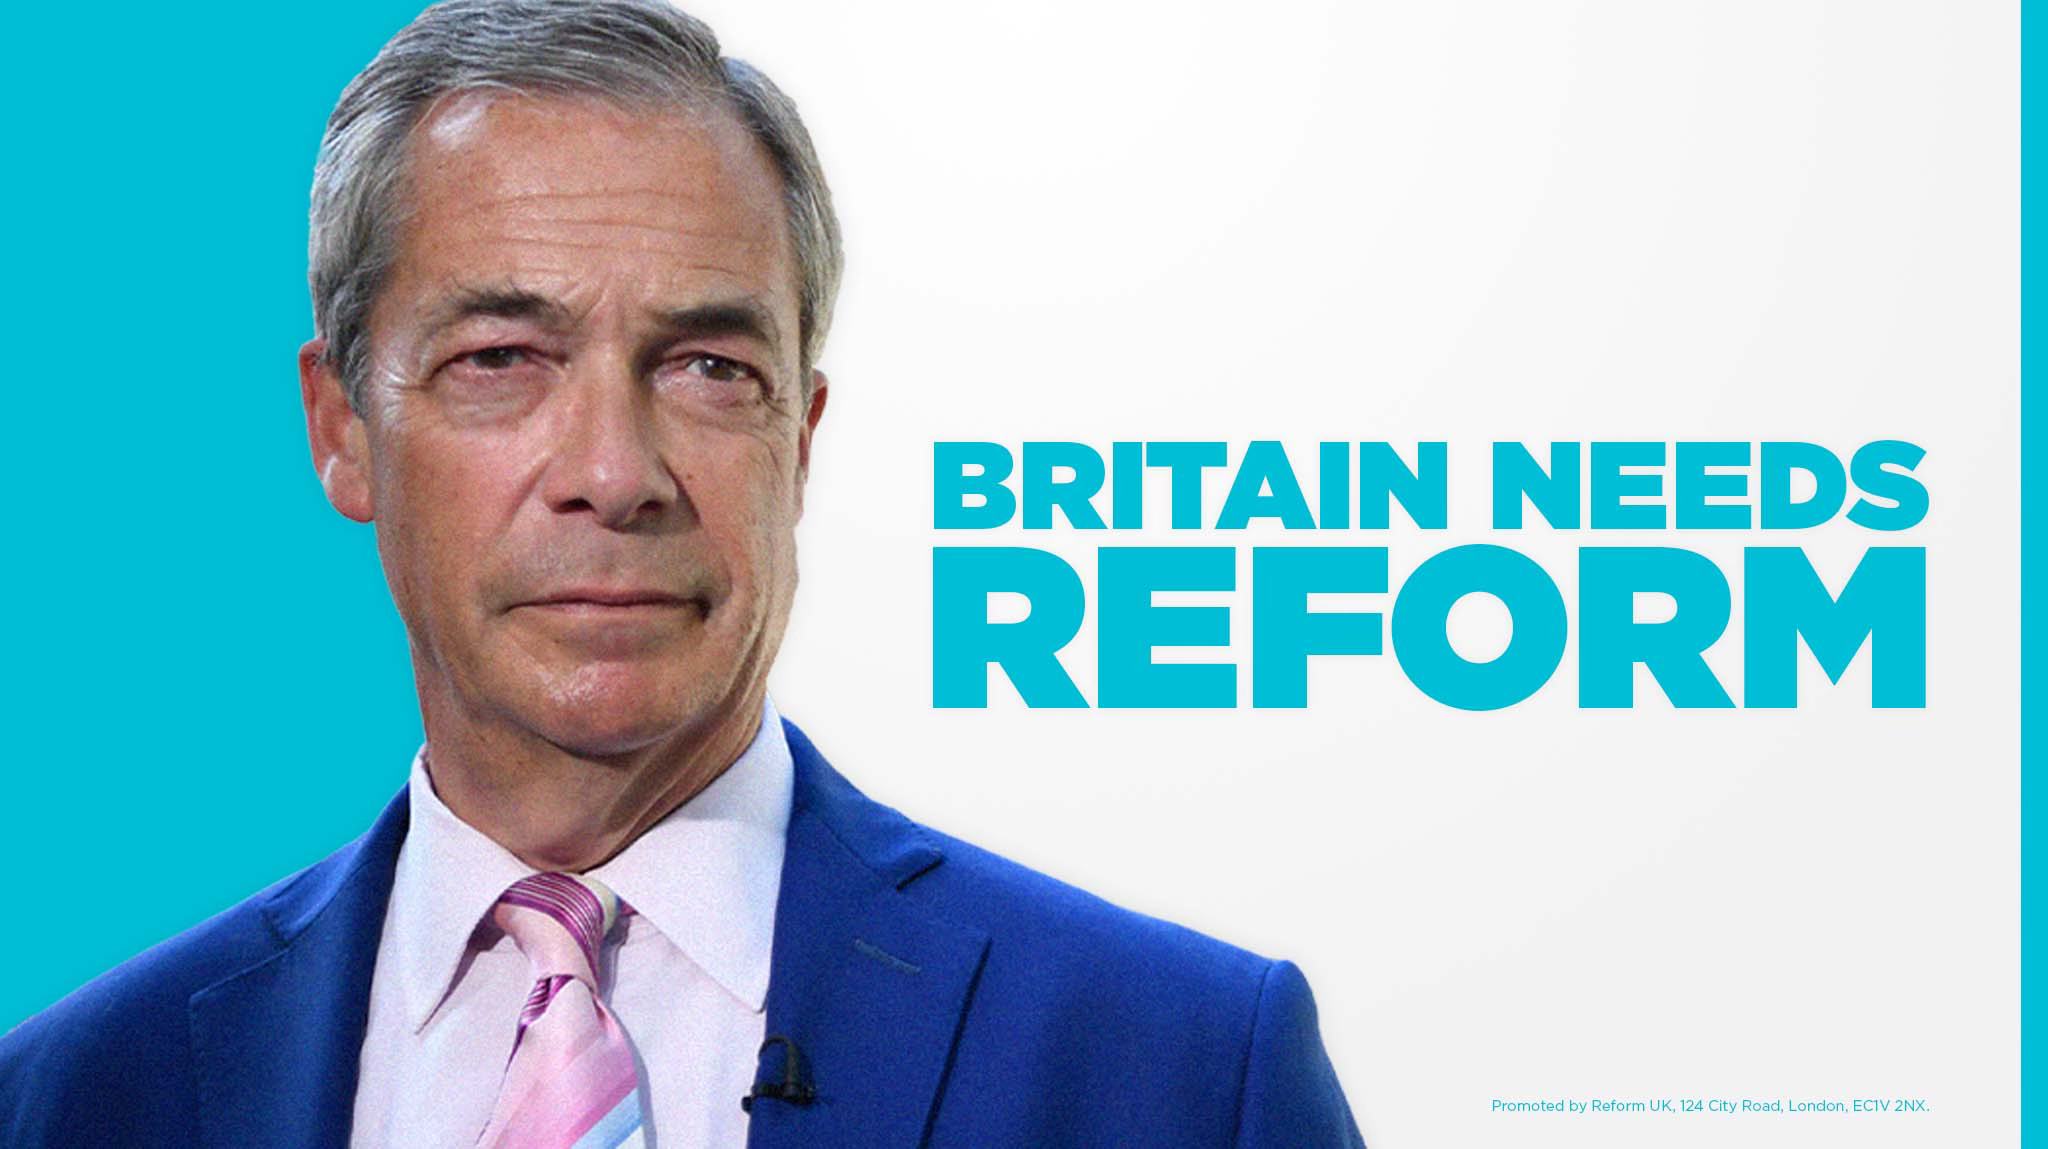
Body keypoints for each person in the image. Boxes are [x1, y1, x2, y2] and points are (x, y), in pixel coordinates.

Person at [0, 1, 1365, 1145]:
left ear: (799, 442)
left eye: (710, 368)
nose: (615, 471)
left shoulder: (1189, 1071)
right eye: (500, 360)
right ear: (342, 429)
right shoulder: (69, 1098)